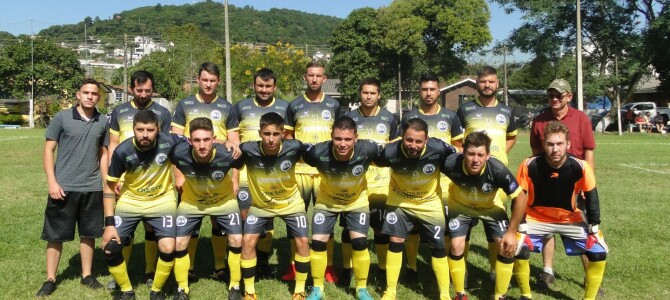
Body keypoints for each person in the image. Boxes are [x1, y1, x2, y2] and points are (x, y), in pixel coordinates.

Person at [514, 121, 608, 300]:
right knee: (518, 249)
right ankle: (525, 295)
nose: (555, 149)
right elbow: (519, 197)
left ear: (568, 144)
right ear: (544, 145)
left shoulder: (580, 166)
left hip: (570, 220)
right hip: (536, 219)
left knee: (598, 251)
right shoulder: (529, 165)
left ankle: (589, 297)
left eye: (559, 144)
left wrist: (594, 225)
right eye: (550, 144)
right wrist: (521, 223)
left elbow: (592, 197)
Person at [37, 78, 109, 297]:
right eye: (86, 92)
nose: (90, 96)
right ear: (78, 95)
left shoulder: (103, 121)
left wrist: (105, 182)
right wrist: (52, 182)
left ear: (99, 97)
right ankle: (50, 278)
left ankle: (87, 275)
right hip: (63, 187)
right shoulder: (62, 118)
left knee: (89, 234)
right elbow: (48, 150)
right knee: (55, 235)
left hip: (92, 187)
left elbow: (104, 154)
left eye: (94, 93)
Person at [102, 110, 183, 300]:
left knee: (168, 247)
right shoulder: (123, 151)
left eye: (150, 130)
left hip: (162, 201)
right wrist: (109, 223)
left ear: (158, 130)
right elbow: (108, 187)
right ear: (133, 129)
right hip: (130, 201)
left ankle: (156, 290)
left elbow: (197, 139)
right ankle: (126, 291)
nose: (144, 134)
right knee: (109, 247)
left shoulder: (170, 140)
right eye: (140, 130)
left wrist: (226, 144)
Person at [171, 62, 239, 282]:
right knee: (192, 223)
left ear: (218, 81)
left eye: (212, 80)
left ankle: (220, 266)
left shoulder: (228, 107)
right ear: (197, 80)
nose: (208, 84)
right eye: (204, 80)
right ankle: (188, 268)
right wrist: (179, 175)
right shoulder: (185, 105)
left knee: (219, 223)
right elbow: (176, 144)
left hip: (218, 171)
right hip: (191, 171)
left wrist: (235, 179)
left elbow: (235, 146)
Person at [375, 118, 457, 300]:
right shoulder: (389, 151)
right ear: (401, 137)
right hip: (400, 201)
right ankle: (390, 291)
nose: (413, 145)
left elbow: (456, 156)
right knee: (395, 241)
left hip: (429, 203)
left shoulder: (439, 148)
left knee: (438, 246)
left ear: (426, 140)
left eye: (418, 141)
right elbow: (369, 158)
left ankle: (444, 295)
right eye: (409, 140)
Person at [302, 116, 382, 300]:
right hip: (327, 201)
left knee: (360, 243)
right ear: (331, 137)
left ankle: (361, 288)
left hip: (356, 201)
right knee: (319, 243)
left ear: (356, 138)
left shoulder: (368, 148)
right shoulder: (317, 152)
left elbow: (392, 153)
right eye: (338, 138)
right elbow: (295, 152)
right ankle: (317, 288)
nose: (342, 144)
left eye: (348, 139)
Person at [441, 132, 528, 300]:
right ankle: (460, 294)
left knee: (506, 248)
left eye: (480, 155)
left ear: (488, 155)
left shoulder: (497, 169)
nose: (475, 159)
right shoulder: (451, 163)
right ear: (463, 152)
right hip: (460, 207)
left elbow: (520, 197)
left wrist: (511, 232)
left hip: (490, 208)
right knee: (456, 245)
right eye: (471, 154)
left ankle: (499, 295)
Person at [529, 78, 597, 288]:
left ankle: (590, 278)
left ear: (569, 96)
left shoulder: (581, 118)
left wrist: (588, 184)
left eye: (559, 95)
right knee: (546, 226)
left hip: (575, 182)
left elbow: (588, 151)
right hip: (547, 183)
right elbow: (535, 154)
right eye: (551, 95)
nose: (555, 99)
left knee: (584, 230)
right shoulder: (539, 120)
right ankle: (547, 271)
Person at [107, 70, 172, 288]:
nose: (144, 94)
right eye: (139, 90)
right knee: (124, 231)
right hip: (126, 176)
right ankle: (121, 274)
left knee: (153, 230)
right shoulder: (120, 111)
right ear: (131, 89)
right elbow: (114, 145)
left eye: (148, 90)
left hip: (156, 177)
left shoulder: (163, 112)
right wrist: (115, 178)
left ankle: (150, 270)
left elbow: (168, 146)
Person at [238, 112, 310, 300]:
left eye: (275, 134)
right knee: (247, 241)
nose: (271, 139)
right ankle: (249, 291)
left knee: (302, 241)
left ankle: (300, 290)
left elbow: (318, 153)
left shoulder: (294, 147)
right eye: (266, 134)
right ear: (260, 132)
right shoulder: (247, 149)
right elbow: (226, 158)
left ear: (283, 134)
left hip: (291, 203)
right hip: (261, 206)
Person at [229, 68, 293, 279]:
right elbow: (235, 142)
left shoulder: (285, 107)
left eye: (268, 86)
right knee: (247, 217)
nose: (264, 90)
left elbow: (290, 141)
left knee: (268, 219)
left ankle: (263, 260)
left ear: (274, 87)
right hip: (248, 172)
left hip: (274, 175)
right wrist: (235, 176)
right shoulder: (241, 107)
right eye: (260, 86)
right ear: (254, 86)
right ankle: (248, 258)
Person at [170, 117, 243, 300]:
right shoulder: (179, 152)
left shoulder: (227, 153)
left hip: (224, 201)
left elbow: (239, 164)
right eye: (196, 140)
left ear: (214, 139)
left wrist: (227, 143)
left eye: (206, 140)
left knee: (236, 239)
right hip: (192, 202)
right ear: (189, 141)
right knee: (178, 243)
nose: (202, 145)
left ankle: (235, 287)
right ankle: (182, 288)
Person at [400, 73, 464, 280]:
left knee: (444, 228)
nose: (428, 93)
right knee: (413, 229)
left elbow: (458, 148)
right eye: (424, 89)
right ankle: (411, 267)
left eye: (432, 89)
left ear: (439, 91)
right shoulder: (409, 117)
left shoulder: (451, 117)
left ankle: (445, 268)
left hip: (444, 183)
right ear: (419, 91)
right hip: (414, 182)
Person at [456, 66, 518, 280]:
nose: (487, 85)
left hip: (497, 176)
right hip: (470, 175)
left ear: (497, 84)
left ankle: (494, 269)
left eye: (491, 81)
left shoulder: (507, 111)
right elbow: (457, 141)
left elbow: (511, 137)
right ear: (477, 84)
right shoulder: (465, 110)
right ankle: (461, 270)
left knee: (495, 226)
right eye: (483, 82)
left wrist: (497, 156)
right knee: (466, 225)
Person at [283, 61, 340, 283]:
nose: (314, 79)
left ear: (325, 79)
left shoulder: (334, 105)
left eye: (318, 76)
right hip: (299, 171)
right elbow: (288, 138)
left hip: (326, 172)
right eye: (310, 75)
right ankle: (294, 265)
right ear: (304, 77)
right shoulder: (294, 105)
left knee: (327, 219)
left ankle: (328, 266)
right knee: (296, 219)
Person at [345, 77, 399, 286]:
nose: (368, 96)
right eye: (365, 92)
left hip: (381, 183)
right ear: (359, 94)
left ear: (379, 95)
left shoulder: (389, 119)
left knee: (380, 228)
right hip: (354, 183)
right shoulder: (349, 118)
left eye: (372, 93)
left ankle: (383, 269)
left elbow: (394, 150)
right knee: (350, 229)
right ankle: (347, 269)